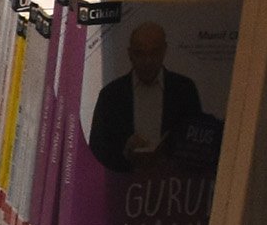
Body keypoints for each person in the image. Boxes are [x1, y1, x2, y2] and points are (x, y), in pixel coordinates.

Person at [85, 21, 207, 170]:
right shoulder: (111, 96)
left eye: (154, 53)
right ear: (130, 54)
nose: (147, 61)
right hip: (123, 184)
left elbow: (200, 145)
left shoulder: (184, 90)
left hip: (172, 185)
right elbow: (96, 153)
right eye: (140, 53)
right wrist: (124, 152)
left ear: (164, 51)